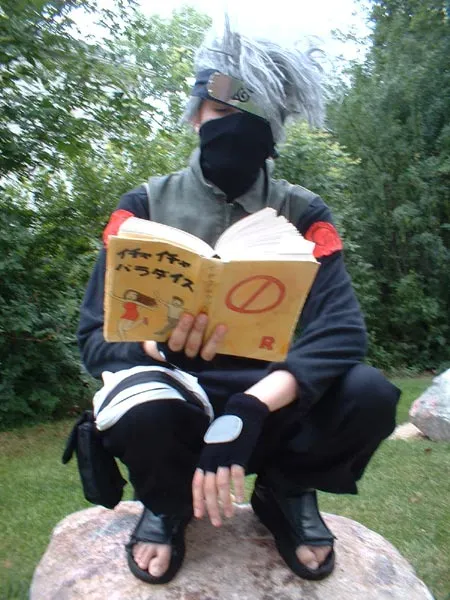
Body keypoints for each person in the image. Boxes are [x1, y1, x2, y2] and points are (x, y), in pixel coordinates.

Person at [77, 20, 400, 585]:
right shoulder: (143, 206)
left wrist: (252, 406)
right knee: (143, 408)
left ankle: (286, 490)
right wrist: (155, 346)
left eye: (254, 117)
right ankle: (167, 501)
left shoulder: (304, 212)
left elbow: (343, 331)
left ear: (275, 131)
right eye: (222, 110)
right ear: (196, 114)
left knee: (368, 394)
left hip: (269, 396)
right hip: (176, 393)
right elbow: (93, 336)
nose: (234, 127)